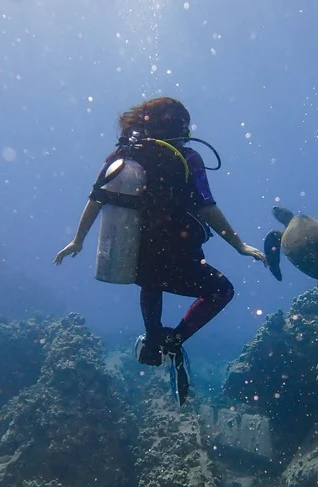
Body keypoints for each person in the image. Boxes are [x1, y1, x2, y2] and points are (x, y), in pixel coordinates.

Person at [54, 97, 265, 403]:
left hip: (136, 261)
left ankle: (152, 341)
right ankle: (174, 341)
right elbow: (207, 208)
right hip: (177, 257)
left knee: (152, 282)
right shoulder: (188, 158)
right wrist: (239, 245)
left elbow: (96, 198)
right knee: (221, 291)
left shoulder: (123, 156)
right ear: (180, 127)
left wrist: (79, 240)